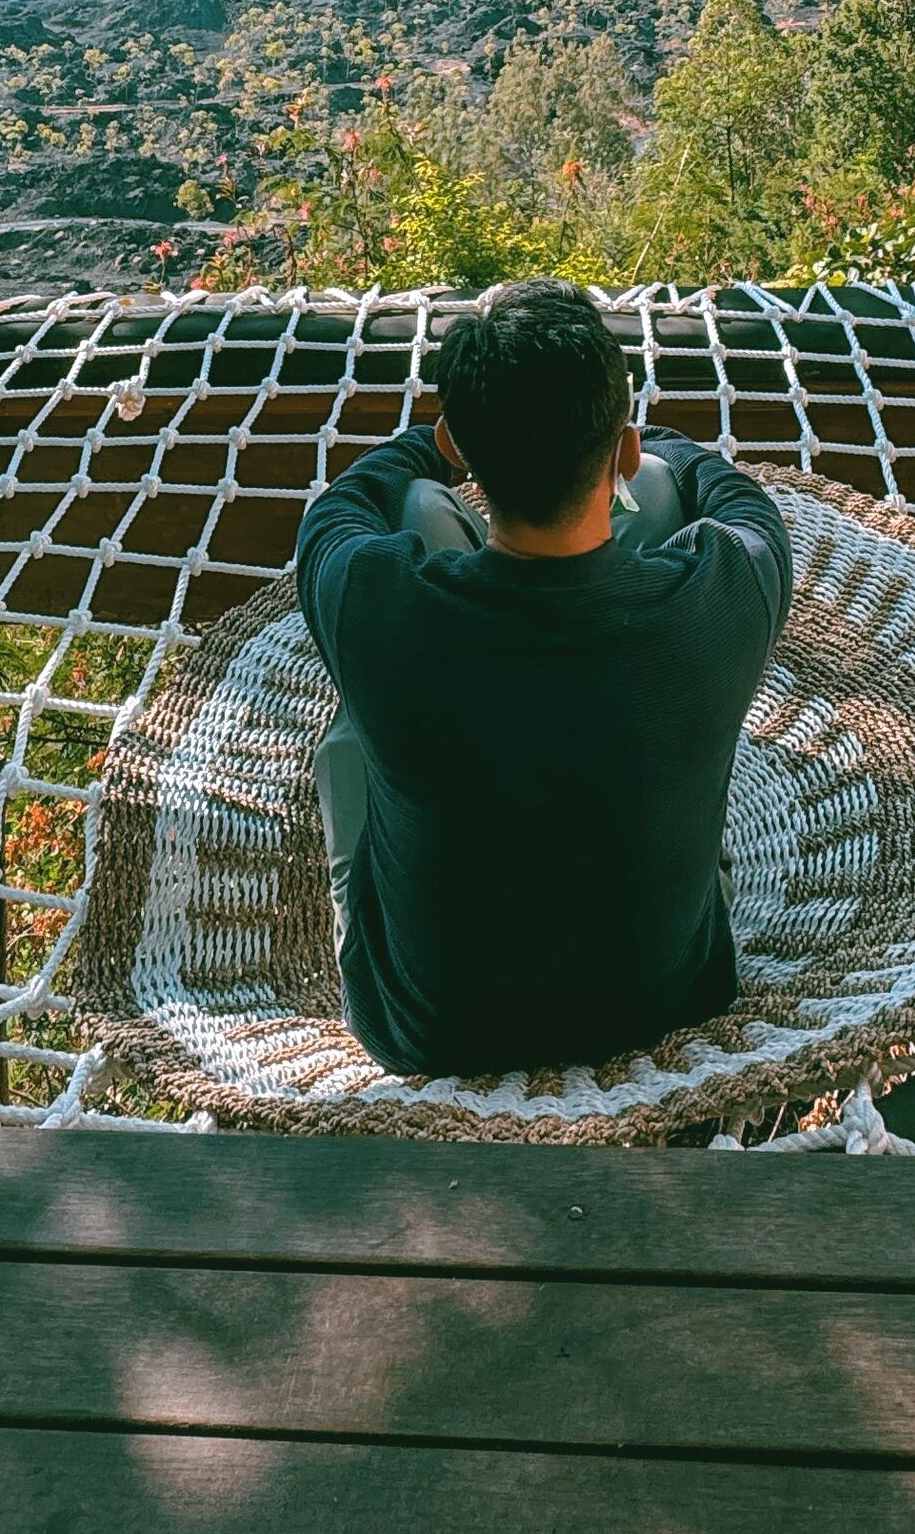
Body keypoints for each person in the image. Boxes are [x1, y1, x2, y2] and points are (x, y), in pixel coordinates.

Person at [295, 277, 792, 1079]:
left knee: (414, 528)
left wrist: (438, 447)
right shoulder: (724, 598)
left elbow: (338, 512)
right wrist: (632, 435)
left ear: (465, 448)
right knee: (662, 493)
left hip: (431, 1027)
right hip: (668, 1000)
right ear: (619, 448)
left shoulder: (380, 609)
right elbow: (742, 504)